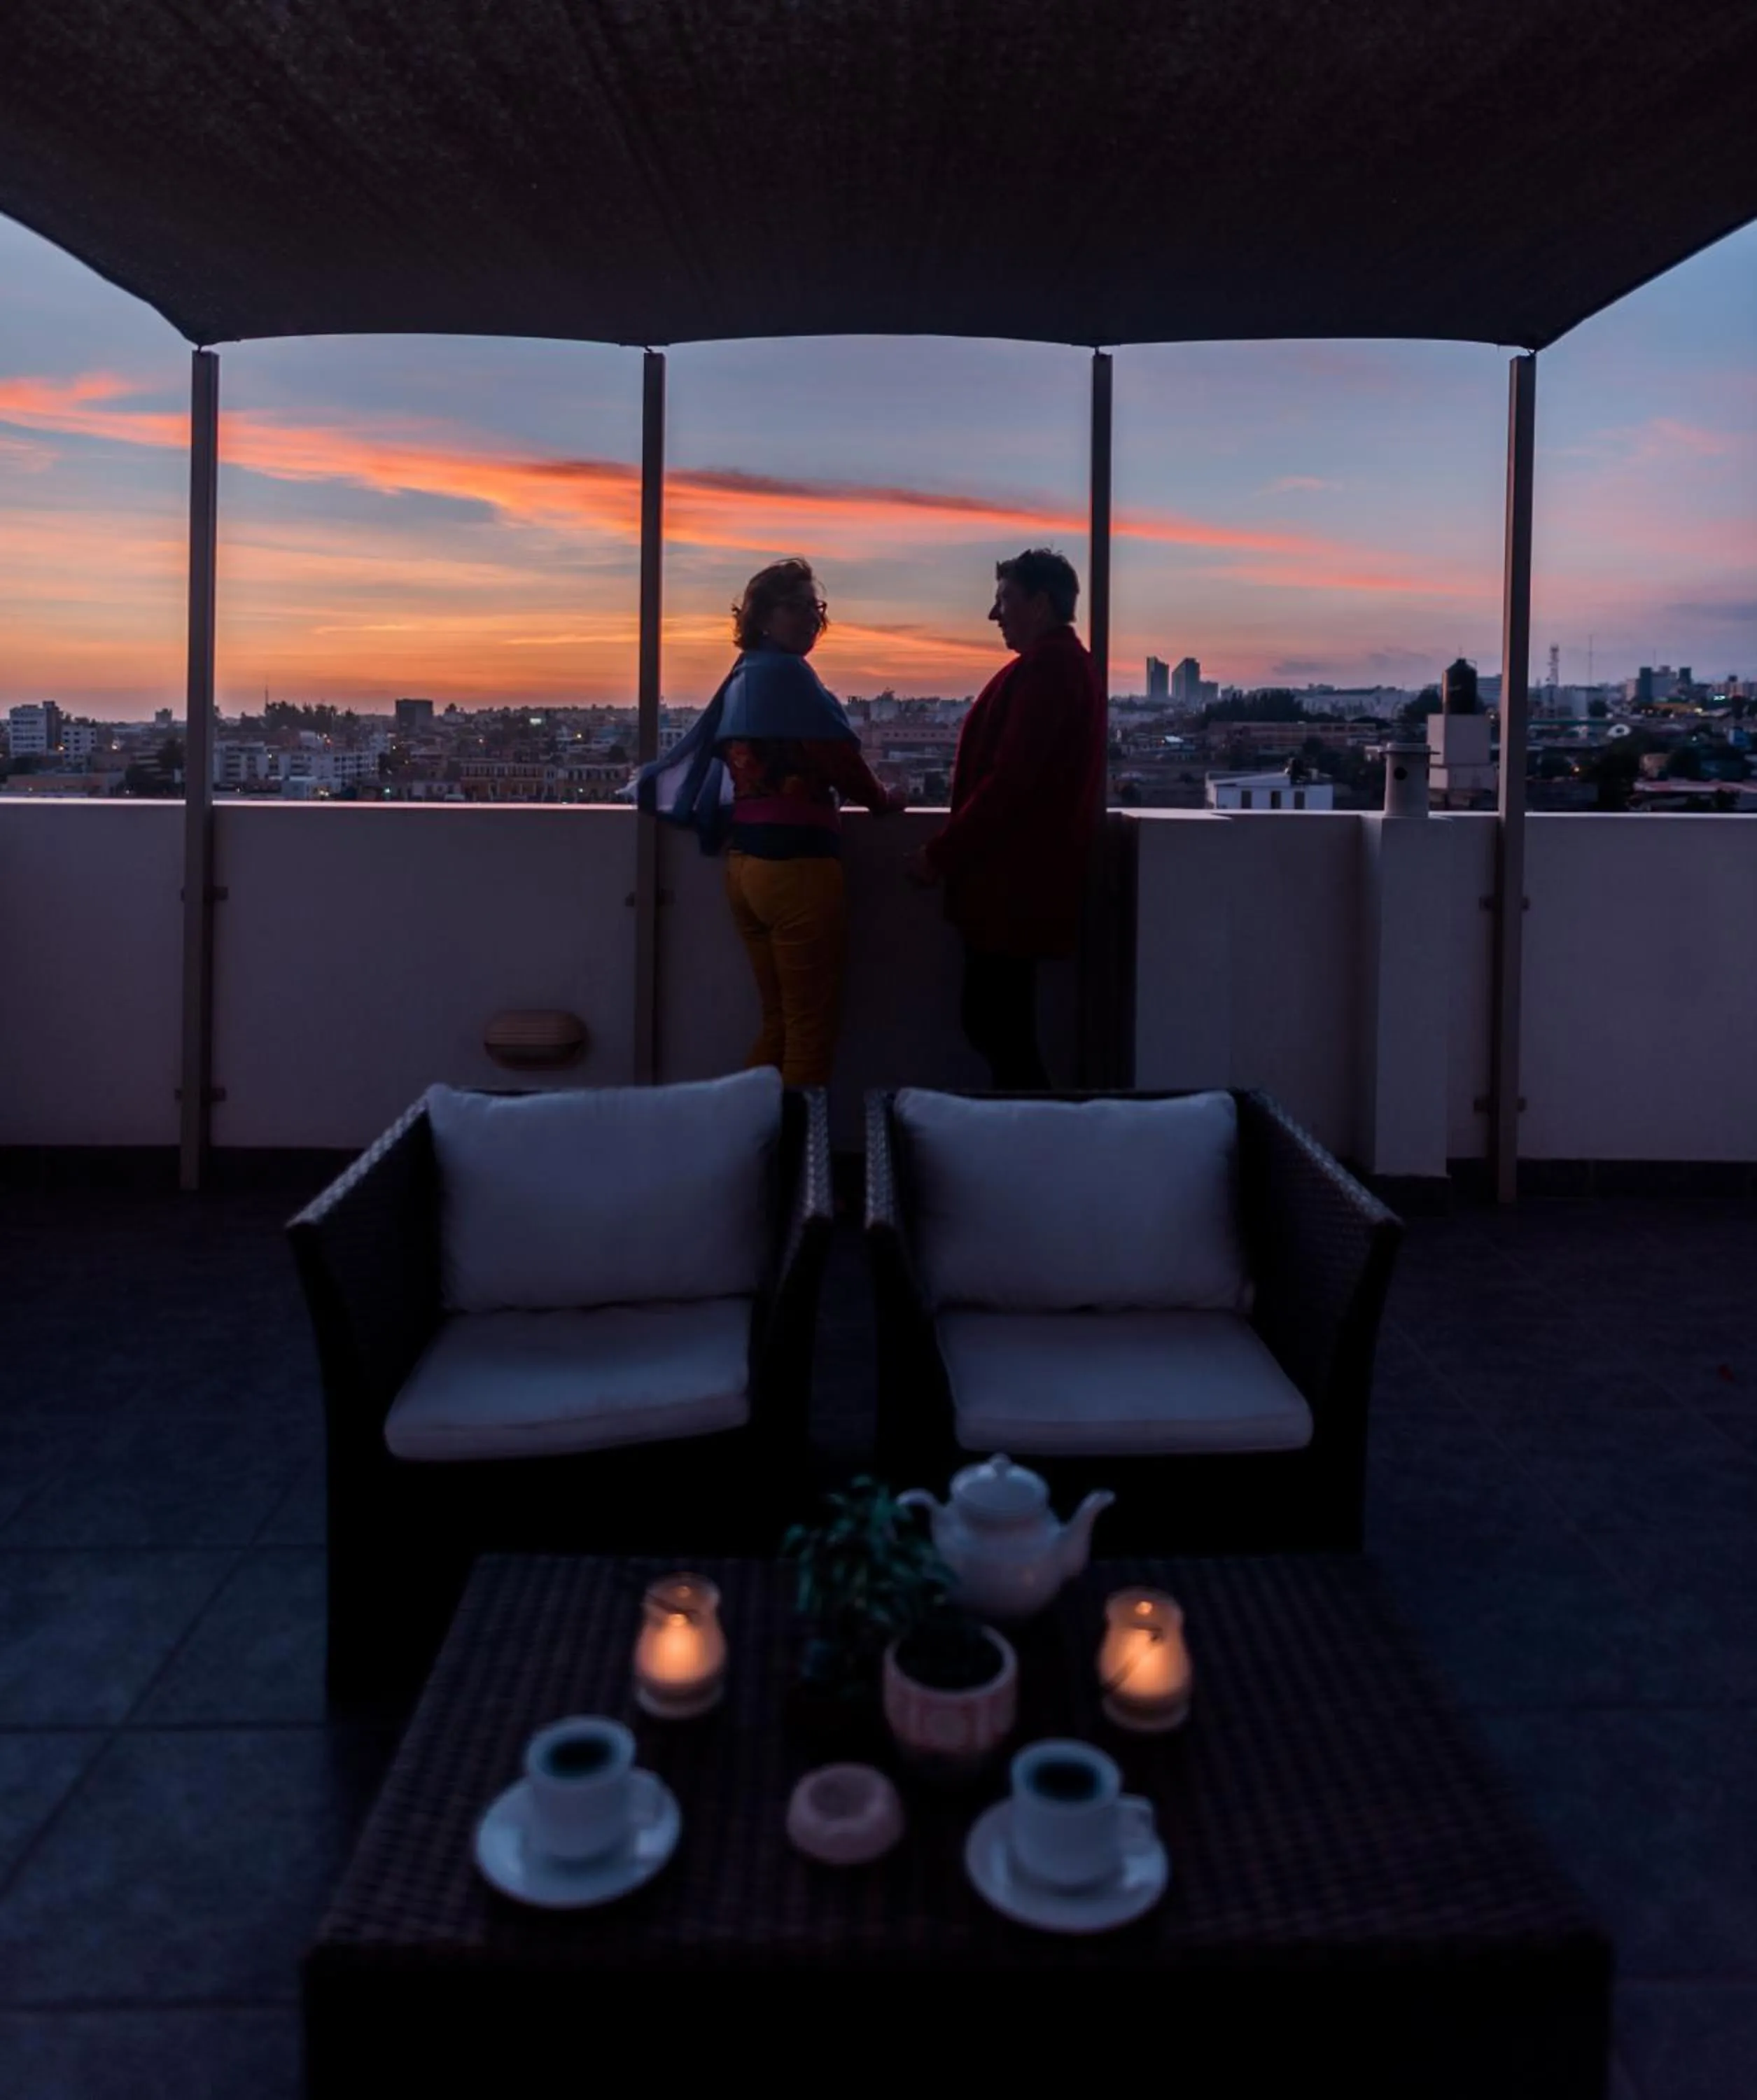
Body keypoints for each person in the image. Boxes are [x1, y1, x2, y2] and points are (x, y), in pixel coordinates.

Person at [637, 559, 904, 1087]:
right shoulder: (786, 676)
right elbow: (836, 759)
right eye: (798, 606)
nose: (812, 618)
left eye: (816, 607)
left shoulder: (745, 675)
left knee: (779, 1023)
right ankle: (795, 1160)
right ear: (762, 616)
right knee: (809, 1033)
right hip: (796, 867)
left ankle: (751, 1144)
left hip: (747, 867)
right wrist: (881, 799)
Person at [906, 548, 1105, 1088]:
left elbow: (1010, 781)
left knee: (995, 1023)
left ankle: (1032, 1141)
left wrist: (941, 855)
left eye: (1004, 600)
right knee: (1000, 1023)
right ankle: (1025, 1138)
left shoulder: (1048, 671)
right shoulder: (1061, 667)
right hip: (1023, 882)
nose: (995, 615)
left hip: (1013, 885)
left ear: (1040, 604)